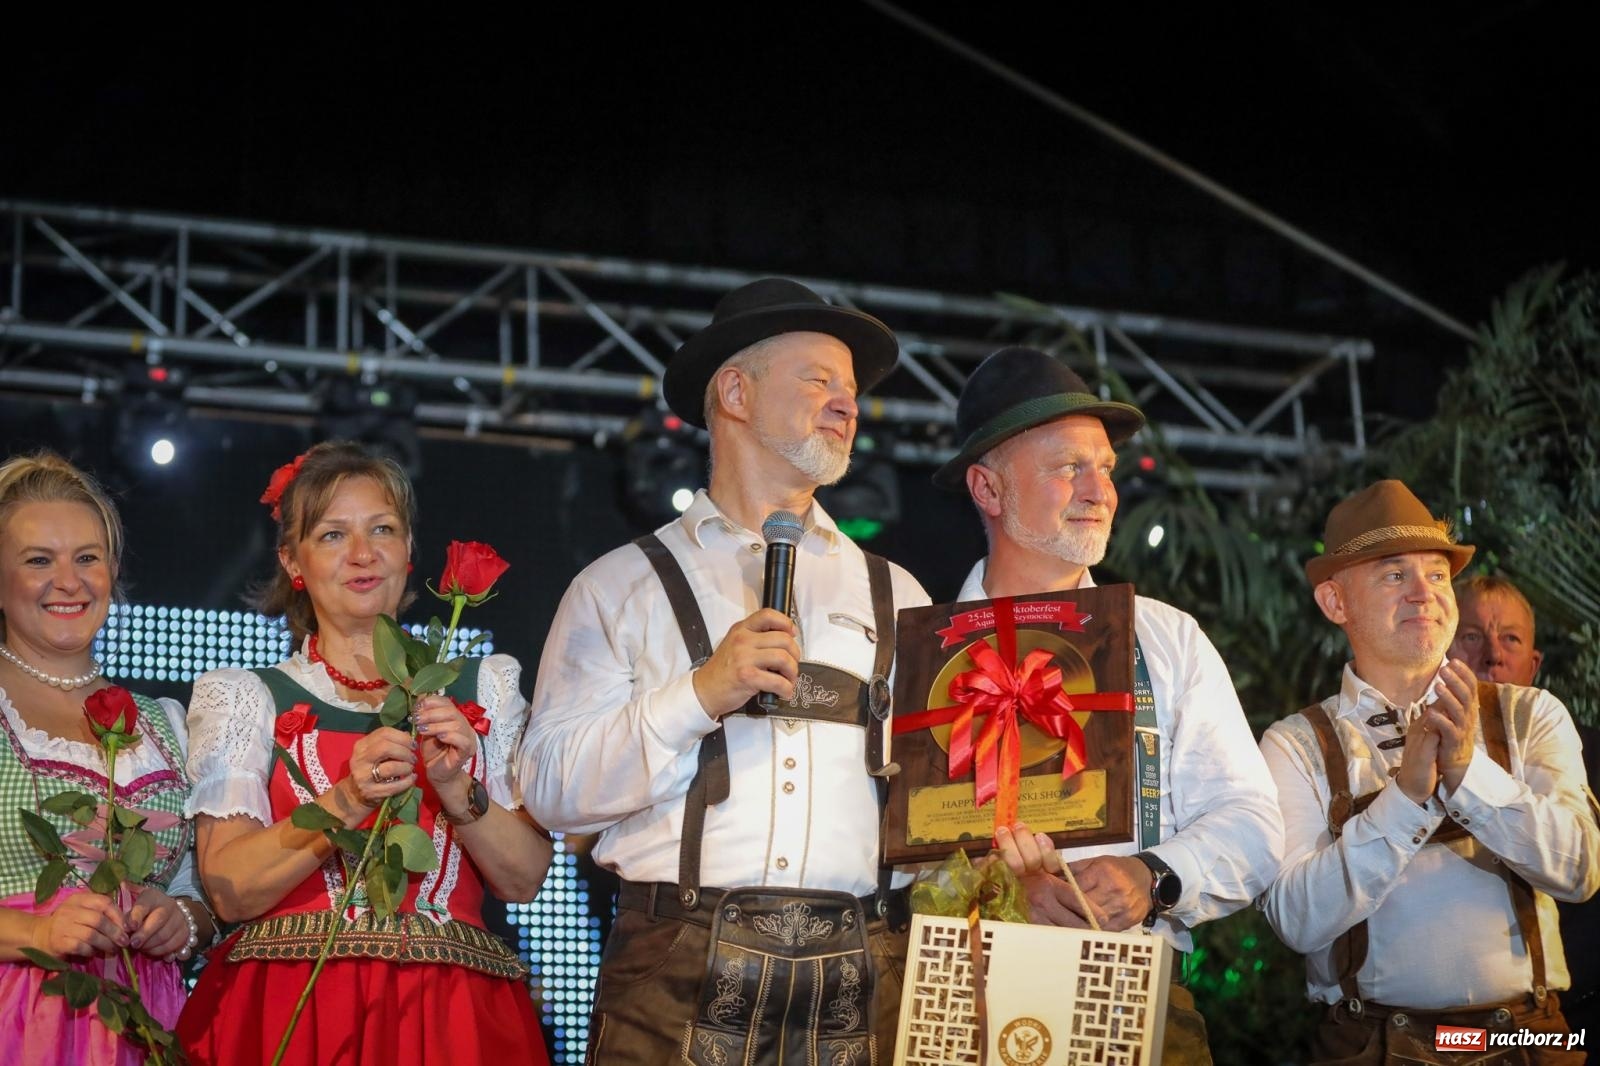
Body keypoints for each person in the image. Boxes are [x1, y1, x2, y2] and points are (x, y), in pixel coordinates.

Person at [519, 277, 930, 1065]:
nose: (847, 404)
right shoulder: (619, 586)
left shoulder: (897, 593)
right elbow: (550, 790)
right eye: (819, 380)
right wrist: (700, 694)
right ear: (735, 393)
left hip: (858, 972)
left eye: (851, 391)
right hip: (675, 964)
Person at [930, 346, 1284, 1064]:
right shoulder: (923, 650)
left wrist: (1151, 875)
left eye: (1106, 469)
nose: (1102, 491)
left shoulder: (1165, 636)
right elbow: (876, 848)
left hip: (1137, 994)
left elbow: (1254, 825)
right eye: (1069, 468)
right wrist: (1000, 891)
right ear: (988, 490)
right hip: (963, 997)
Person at [176, 442, 553, 1065]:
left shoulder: (484, 686)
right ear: (292, 562)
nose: (362, 553)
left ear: (408, 553)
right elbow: (230, 891)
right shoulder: (246, 697)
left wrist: (458, 792)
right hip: (296, 1010)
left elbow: (523, 878)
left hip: (454, 1018)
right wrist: (345, 800)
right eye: (331, 535)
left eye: (383, 529)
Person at [1261, 480, 1600, 1064]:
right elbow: (1295, 918)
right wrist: (1407, 798)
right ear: (1335, 603)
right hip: (1370, 1044)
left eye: (1437, 575)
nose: (1424, 594)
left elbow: (1581, 870)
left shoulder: (1529, 713)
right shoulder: (1297, 743)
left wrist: (1468, 774)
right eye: (1394, 576)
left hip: (1529, 1039)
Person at [0, 451, 218, 1064]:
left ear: (113, 570)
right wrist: (38, 932)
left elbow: (201, 896)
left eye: (87, 558)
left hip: (145, 1026)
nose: (68, 581)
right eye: (38, 560)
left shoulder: (167, 724)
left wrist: (182, 920)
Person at [1449, 573, 1600, 1042]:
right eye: (1472, 636)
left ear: (1532, 665)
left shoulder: (1589, 755)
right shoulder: (1400, 751)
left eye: (1509, 638)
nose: (1492, 654)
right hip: (1439, 1021)